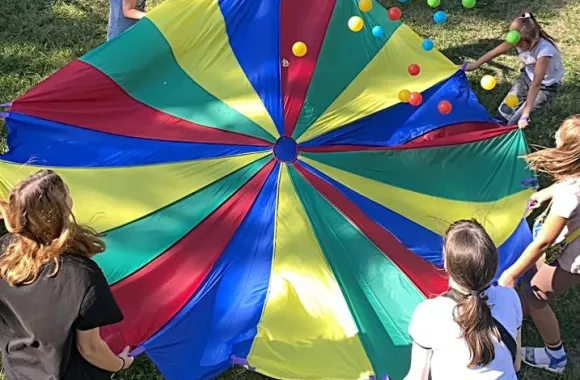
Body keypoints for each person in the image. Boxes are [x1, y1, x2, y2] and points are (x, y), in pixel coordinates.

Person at [0, 170, 133, 379]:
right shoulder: (83, 277)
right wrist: (120, 363)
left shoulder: (4, 253)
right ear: (61, 209)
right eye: (67, 194)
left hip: (20, 373)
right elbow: (90, 349)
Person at [499, 115, 580, 374]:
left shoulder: (570, 193)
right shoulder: (572, 181)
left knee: (536, 295)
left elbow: (544, 241)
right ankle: (521, 306)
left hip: (572, 256)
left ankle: (555, 356)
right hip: (569, 243)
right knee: (534, 282)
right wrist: (546, 193)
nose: (554, 136)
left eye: (558, 135)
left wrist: (511, 273)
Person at [405, 220, 522, 380]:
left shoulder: (429, 314)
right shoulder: (510, 297)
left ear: (446, 263)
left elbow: (418, 377)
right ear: (493, 264)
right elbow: (516, 365)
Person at [464, 12, 564, 129]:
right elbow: (494, 52)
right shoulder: (519, 38)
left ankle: (506, 140)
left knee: (515, 122)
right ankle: (496, 132)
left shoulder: (544, 52)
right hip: (526, 77)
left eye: (522, 46)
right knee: (504, 113)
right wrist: (475, 65)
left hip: (545, 87)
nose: (519, 47)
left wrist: (525, 114)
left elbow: (536, 84)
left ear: (536, 38)